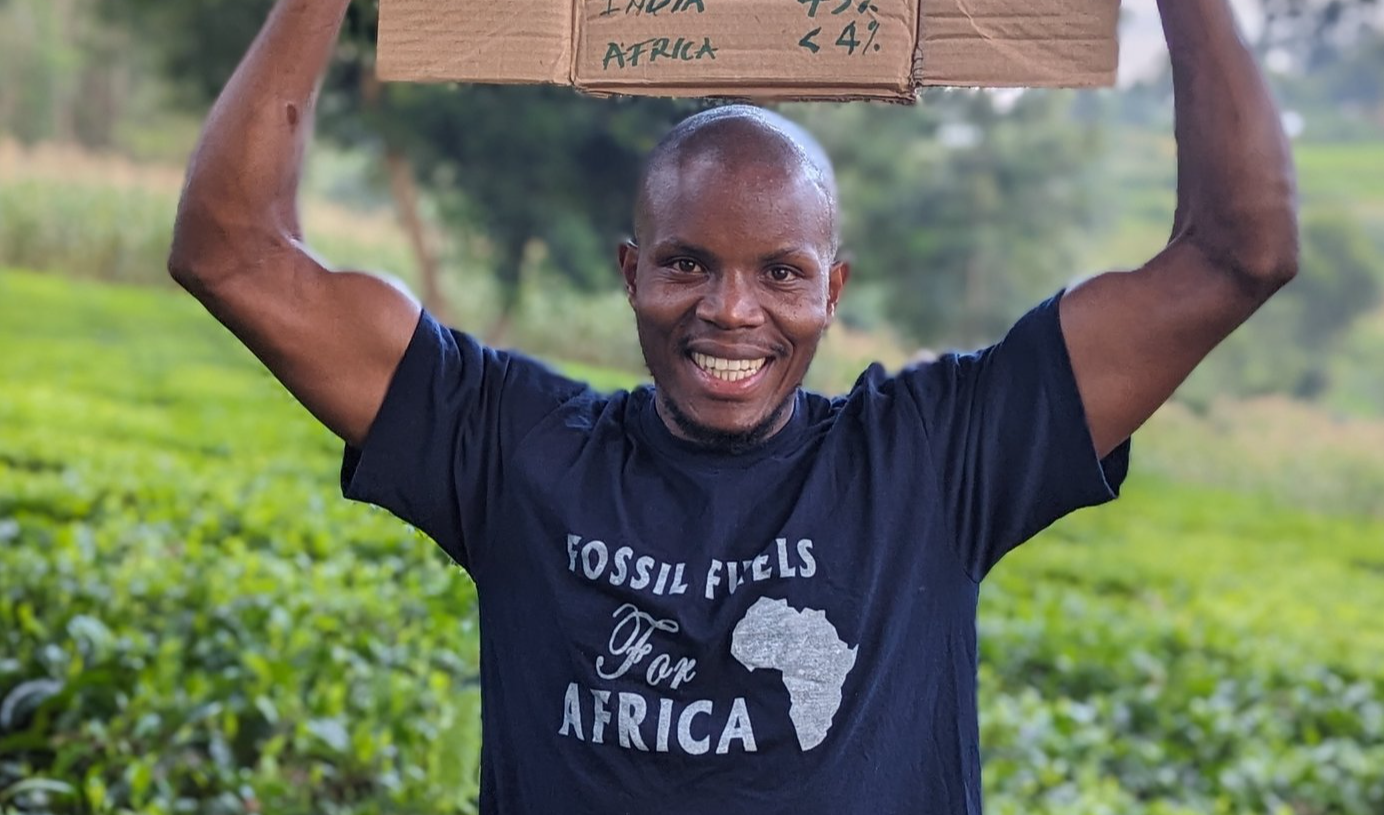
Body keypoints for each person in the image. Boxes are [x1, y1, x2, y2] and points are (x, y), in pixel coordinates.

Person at [167, 0, 1298, 810]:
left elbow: (1237, 252)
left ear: (834, 288)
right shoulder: (513, 447)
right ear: (629, 271)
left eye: (782, 273)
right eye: (686, 263)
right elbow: (231, 254)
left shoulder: (935, 457)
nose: (731, 312)